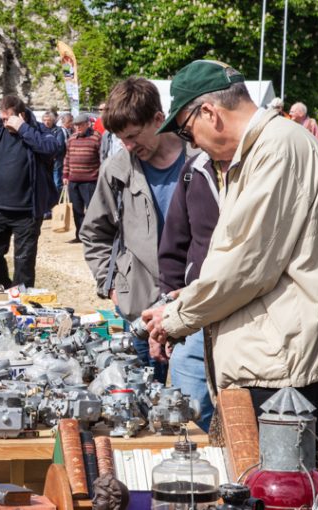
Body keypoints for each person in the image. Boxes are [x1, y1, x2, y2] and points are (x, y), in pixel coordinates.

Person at [143, 60, 318, 440]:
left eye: (188, 131)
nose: (192, 144)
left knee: (272, 493)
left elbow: (247, 267)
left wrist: (175, 318)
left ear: (209, 112)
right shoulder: (264, 150)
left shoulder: (278, 149)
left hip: (282, 371)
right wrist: (187, 296)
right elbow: (244, 259)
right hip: (273, 362)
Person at [80, 77, 189, 383]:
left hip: (195, 304)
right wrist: (112, 285)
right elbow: (94, 232)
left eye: (132, 136)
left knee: (196, 405)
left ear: (158, 119)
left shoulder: (201, 158)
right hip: (139, 306)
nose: (128, 146)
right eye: (120, 139)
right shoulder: (116, 170)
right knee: (144, 407)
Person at [156, 142, 221, 432]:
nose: (191, 139)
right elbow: (175, 243)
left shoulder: (260, 165)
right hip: (195, 314)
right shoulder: (194, 171)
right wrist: (168, 306)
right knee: (190, 423)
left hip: (245, 318)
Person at [0, 94, 63, 289]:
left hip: (27, 212)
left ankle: (21, 302)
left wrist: (23, 129)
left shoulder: (38, 131)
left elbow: (51, 149)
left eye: (9, 119)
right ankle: (0, 290)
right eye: (2, 119)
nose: (5, 123)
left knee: (24, 261)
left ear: (21, 115)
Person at [63, 112, 102, 241]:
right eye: (76, 125)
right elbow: (67, 158)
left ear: (87, 124)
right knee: (77, 210)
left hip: (90, 181)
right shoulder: (72, 139)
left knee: (92, 209)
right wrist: (65, 175)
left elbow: (102, 159)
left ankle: (92, 235)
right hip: (74, 181)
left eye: (80, 125)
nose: (78, 128)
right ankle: (80, 235)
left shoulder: (96, 137)